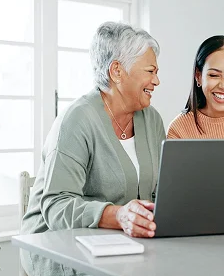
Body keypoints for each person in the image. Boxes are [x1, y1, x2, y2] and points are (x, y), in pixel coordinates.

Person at [21, 22, 165, 276]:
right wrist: (118, 215)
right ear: (117, 71)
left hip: (123, 247)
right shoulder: (77, 121)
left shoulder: (151, 119)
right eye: (150, 71)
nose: (157, 80)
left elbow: (160, 192)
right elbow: (56, 205)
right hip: (59, 246)